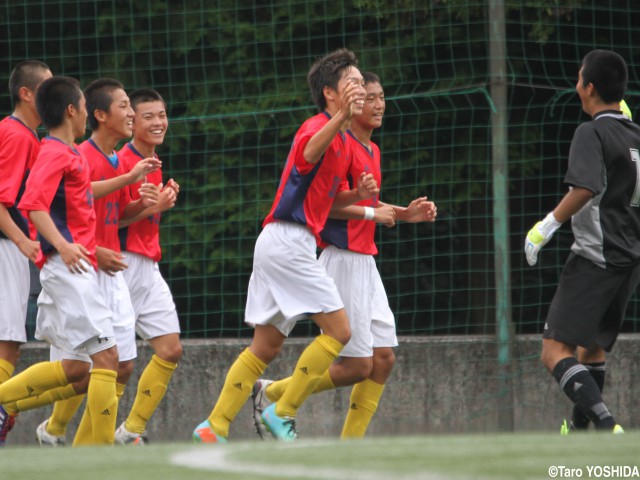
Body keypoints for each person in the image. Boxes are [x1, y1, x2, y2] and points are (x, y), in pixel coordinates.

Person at [193, 48, 376, 443]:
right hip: (288, 241)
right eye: (353, 83)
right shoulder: (316, 126)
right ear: (330, 93)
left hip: (282, 242)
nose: (361, 89)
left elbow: (329, 201)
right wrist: (342, 117)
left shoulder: (343, 139)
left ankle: (214, 425)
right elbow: (308, 155)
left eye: (363, 83)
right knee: (340, 331)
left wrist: (358, 196)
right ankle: (283, 410)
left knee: (267, 345)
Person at [251, 72, 437, 439]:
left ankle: (349, 445)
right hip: (341, 258)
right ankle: (274, 395)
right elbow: (328, 204)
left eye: (382, 96)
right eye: (369, 97)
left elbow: (369, 204)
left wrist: (404, 213)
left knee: (382, 361)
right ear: (349, 101)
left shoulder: (373, 149)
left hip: (365, 261)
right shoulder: (341, 144)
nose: (378, 103)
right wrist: (373, 213)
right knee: (356, 365)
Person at [29, 78, 161, 446]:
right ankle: (44, 424)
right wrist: (66, 245)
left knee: (109, 364)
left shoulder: (80, 155)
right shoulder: (65, 151)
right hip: (76, 265)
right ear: (80, 111)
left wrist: (136, 187)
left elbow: (88, 200)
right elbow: (33, 202)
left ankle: (80, 446)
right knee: (93, 365)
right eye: (125, 106)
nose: (132, 113)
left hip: (88, 265)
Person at [0, 76, 120, 445]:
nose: (87, 113)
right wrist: (62, 246)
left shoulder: (69, 153)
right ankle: (98, 457)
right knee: (109, 359)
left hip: (73, 268)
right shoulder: (52, 152)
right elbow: (32, 204)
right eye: (84, 106)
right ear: (72, 110)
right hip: (68, 271)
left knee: (74, 368)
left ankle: (2, 401)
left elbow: (75, 200)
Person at [524, 49, 639, 434]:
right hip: (629, 259)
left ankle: (607, 426)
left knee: (554, 350)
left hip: (595, 257)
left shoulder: (591, 132)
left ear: (589, 88)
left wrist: (546, 226)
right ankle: (578, 432)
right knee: (592, 348)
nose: (576, 86)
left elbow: (585, 188)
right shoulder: (635, 134)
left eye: (578, 79)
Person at [111, 87, 181, 445]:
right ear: (131, 120)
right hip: (119, 265)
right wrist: (153, 207)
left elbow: (141, 212)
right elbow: (112, 220)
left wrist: (159, 202)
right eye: (149, 116)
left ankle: (131, 430)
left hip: (148, 265)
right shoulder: (122, 161)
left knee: (170, 350)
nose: (159, 122)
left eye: (162, 114)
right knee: (116, 366)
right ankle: (59, 428)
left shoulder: (153, 162)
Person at [0, 60, 52, 445]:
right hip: (6, 247)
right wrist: (22, 242)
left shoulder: (25, 135)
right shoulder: (17, 135)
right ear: (26, 93)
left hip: (12, 247)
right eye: (47, 88)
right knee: (8, 339)